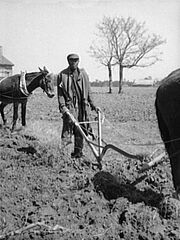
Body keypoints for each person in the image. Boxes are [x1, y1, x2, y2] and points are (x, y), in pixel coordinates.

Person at [57, 53, 99, 158]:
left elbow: (89, 92)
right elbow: (60, 94)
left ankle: (78, 153)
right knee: (68, 129)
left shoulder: (84, 74)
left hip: (82, 107)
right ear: (68, 62)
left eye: (76, 60)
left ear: (78, 61)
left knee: (81, 130)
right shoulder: (62, 75)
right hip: (70, 107)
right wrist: (63, 106)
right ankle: (63, 154)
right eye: (71, 60)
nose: (74, 62)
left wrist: (94, 105)